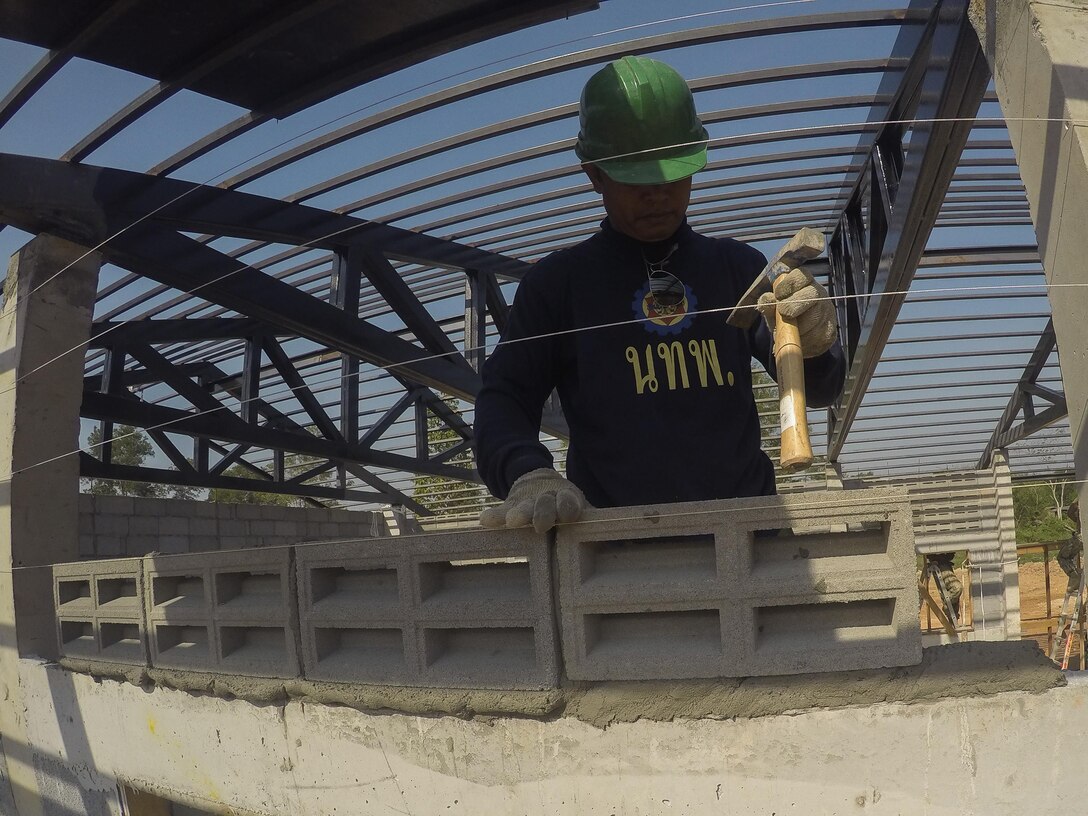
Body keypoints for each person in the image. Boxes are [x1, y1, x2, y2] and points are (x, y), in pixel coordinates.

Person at [473, 55, 846, 533]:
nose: (659, 195)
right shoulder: (558, 285)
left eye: (673, 175)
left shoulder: (737, 269)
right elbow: (503, 398)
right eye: (637, 179)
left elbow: (819, 389)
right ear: (594, 175)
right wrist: (527, 472)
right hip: (617, 554)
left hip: (750, 536)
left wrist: (816, 346)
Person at [1057, 499, 1082, 589]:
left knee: (1062, 557)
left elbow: (1070, 512)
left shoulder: (1083, 493)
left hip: (1082, 537)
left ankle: (1075, 576)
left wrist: (1080, 522)